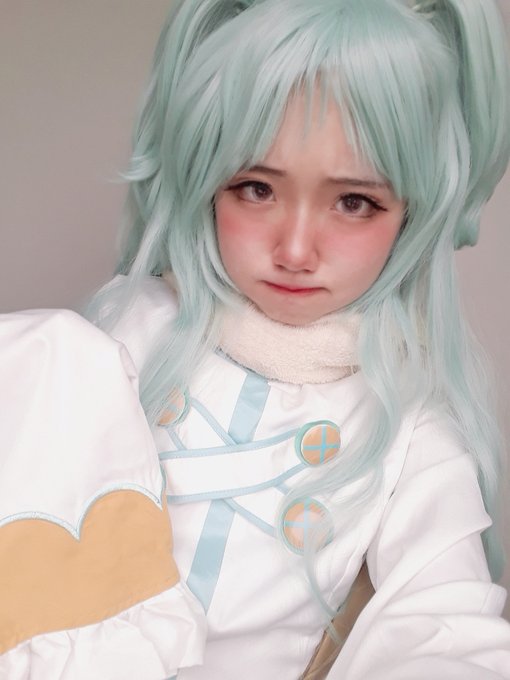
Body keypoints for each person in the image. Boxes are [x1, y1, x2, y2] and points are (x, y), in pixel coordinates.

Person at [1, 0, 510, 678]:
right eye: (256, 188)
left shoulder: (409, 422)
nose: (295, 251)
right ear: (207, 180)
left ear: (413, 213)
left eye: (354, 202)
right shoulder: (114, 338)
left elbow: (444, 627)